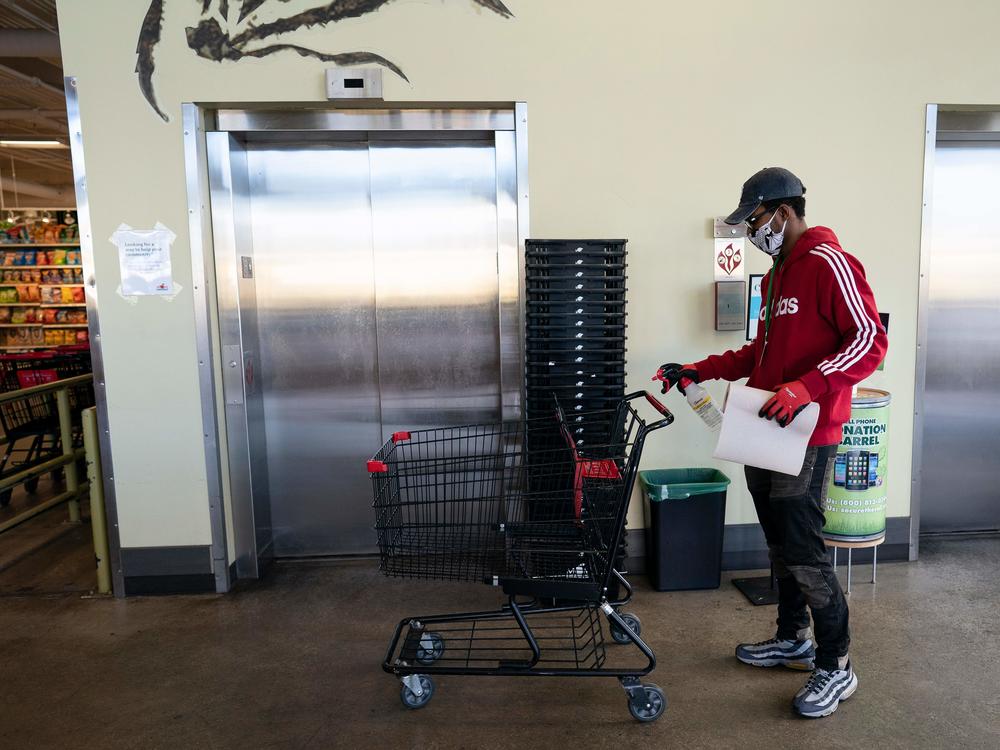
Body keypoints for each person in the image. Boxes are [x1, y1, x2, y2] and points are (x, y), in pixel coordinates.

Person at [655, 167, 887, 718]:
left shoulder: (830, 264)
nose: (751, 232)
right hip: (765, 429)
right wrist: (699, 368)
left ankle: (836, 666)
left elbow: (871, 339)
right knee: (780, 549)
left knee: (806, 554)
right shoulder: (777, 275)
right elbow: (759, 354)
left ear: (781, 212)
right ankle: (793, 638)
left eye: (754, 220)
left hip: (806, 436)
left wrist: (806, 386)